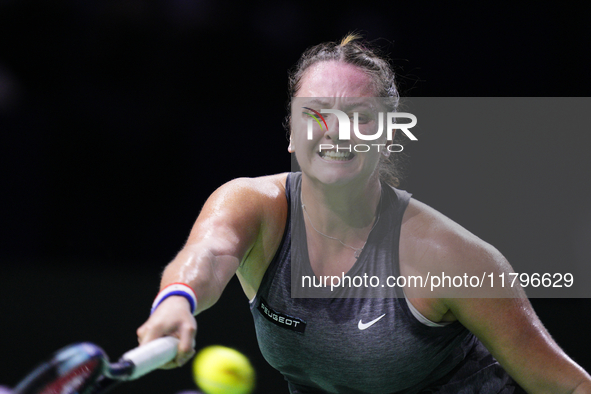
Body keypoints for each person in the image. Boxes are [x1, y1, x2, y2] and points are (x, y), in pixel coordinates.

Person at [137, 35, 591, 393]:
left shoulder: (448, 257)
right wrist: (177, 299)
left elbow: (568, 385)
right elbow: (210, 251)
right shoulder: (253, 205)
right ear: (292, 134)